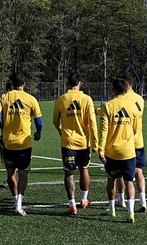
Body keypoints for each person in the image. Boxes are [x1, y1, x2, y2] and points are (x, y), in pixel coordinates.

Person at [0, 72, 44, 216]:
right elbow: (39, 121)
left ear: (12, 83)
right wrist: (38, 132)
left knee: (10, 174)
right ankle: (19, 204)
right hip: (24, 144)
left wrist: (3, 126)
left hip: (8, 143)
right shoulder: (31, 99)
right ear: (24, 83)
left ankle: (15, 199)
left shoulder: (5, 97)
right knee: (23, 174)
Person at [52, 72, 98, 214]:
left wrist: (61, 131)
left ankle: (72, 204)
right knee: (84, 169)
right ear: (80, 83)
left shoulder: (61, 99)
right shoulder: (87, 99)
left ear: (68, 83)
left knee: (69, 172)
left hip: (68, 142)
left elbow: (55, 120)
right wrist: (95, 143)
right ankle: (84, 199)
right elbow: (92, 122)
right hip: (84, 142)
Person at [98, 77, 141, 223]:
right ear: (126, 90)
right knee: (129, 181)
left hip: (112, 152)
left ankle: (112, 210)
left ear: (113, 90)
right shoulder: (133, 106)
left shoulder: (108, 106)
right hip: (128, 151)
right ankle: (130, 213)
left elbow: (103, 130)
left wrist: (101, 149)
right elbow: (136, 129)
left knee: (111, 180)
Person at [113, 77, 147, 213]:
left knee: (121, 173)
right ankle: (143, 201)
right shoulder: (140, 99)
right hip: (138, 141)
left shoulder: (122, 99)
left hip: (126, 141)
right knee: (139, 171)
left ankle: (121, 199)